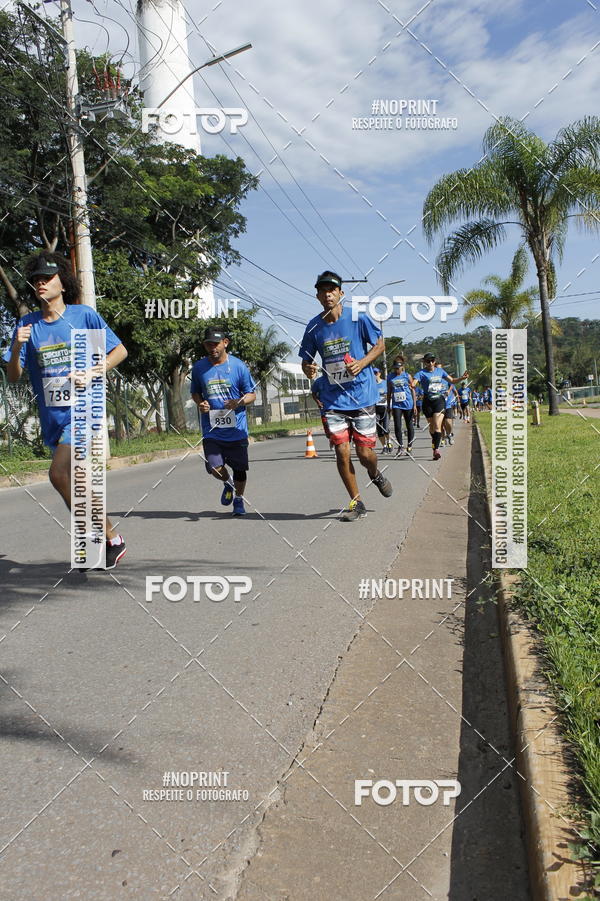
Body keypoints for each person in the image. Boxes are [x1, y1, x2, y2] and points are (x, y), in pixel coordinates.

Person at [4, 251, 128, 568]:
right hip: (53, 417)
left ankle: (95, 535)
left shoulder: (82, 316)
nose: (41, 284)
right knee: (77, 483)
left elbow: (119, 351)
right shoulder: (27, 325)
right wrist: (17, 347)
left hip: (83, 411)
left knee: (59, 473)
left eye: (47, 278)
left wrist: (92, 371)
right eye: (36, 280)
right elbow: (13, 376)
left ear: (63, 282)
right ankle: (112, 538)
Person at [299, 270, 392, 522]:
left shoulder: (357, 317)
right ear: (317, 296)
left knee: (365, 455)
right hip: (332, 399)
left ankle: (375, 473)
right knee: (342, 452)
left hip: (362, 396)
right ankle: (356, 502)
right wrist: (308, 369)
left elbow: (380, 345)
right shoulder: (313, 327)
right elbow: (306, 362)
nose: (327, 294)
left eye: (332, 290)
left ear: (341, 293)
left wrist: (362, 363)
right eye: (322, 290)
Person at [191, 326, 257, 516]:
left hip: (237, 429)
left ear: (225, 343)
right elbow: (195, 392)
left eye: (216, 344)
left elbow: (252, 394)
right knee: (215, 467)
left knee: (240, 470)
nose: (212, 348)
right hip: (212, 429)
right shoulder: (199, 368)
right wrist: (200, 403)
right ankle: (228, 484)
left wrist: (239, 402)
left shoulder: (238, 366)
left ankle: (239, 499)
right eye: (208, 344)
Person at [411, 352, 468, 461]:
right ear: (424, 362)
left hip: (439, 401)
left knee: (437, 425)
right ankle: (435, 442)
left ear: (435, 361)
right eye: (428, 361)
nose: (430, 363)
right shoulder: (421, 373)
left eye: (432, 360)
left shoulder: (440, 371)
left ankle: (436, 450)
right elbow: (414, 382)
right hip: (427, 402)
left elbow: (452, 380)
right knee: (432, 427)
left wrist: (462, 378)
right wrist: (412, 384)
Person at [387, 355, 416, 456]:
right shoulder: (390, 377)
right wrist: (388, 405)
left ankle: (409, 446)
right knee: (397, 425)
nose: (396, 370)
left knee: (409, 425)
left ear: (402, 367)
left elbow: (413, 391)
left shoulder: (407, 376)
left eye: (398, 368)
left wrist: (415, 405)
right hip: (396, 405)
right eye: (395, 368)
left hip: (408, 403)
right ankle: (400, 446)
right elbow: (389, 392)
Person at [374, 368, 392, 453]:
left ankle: (389, 441)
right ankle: (384, 446)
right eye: (373, 373)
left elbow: (390, 394)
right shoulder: (372, 384)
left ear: (379, 373)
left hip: (385, 408)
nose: (375, 375)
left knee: (386, 429)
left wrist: (390, 406)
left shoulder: (385, 383)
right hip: (375, 409)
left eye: (376, 373)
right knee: (379, 430)